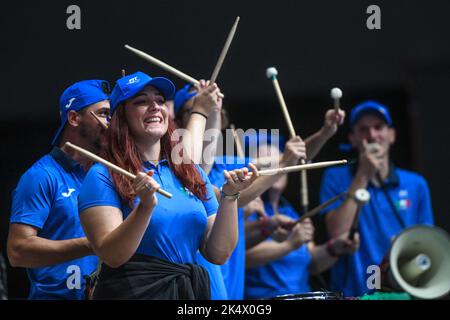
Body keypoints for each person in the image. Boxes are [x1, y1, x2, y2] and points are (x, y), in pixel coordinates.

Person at [77, 71, 257, 299]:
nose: (155, 107)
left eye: (160, 101)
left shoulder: (190, 170)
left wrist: (230, 196)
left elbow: (218, 253)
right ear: (120, 116)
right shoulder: (103, 174)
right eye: (141, 101)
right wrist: (145, 207)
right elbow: (112, 255)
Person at [319, 100, 434, 297]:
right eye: (363, 129)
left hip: (402, 291)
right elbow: (337, 231)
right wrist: (363, 175)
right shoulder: (334, 177)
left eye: (378, 127)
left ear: (392, 135)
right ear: (353, 138)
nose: (372, 135)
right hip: (352, 292)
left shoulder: (416, 184)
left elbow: (427, 245)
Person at [8, 80, 110, 299]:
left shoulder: (105, 175)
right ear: (74, 118)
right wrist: (93, 245)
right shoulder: (41, 176)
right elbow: (17, 251)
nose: (110, 124)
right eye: (102, 114)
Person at [245, 142, 359, 299]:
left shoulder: (290, 212)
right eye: (266, 163)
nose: (275, 167)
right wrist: (289, 245)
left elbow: (311, 263)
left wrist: (334, 248)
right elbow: (243, 257)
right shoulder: (246, 209)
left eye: (280, 161)